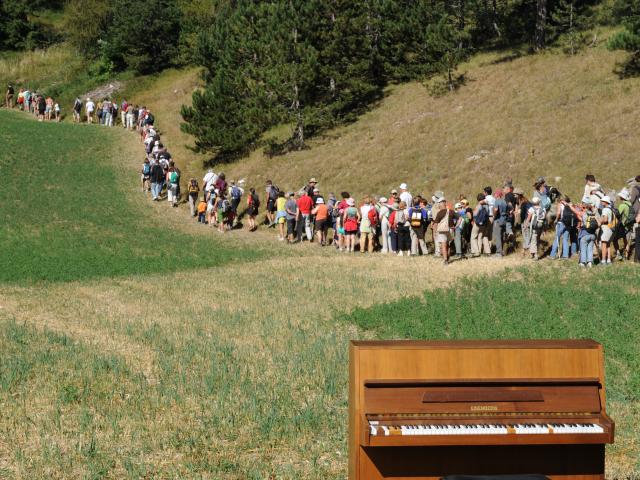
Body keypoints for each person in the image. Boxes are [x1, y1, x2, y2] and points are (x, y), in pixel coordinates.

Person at [579, 197, 599, 267]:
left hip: (585, 234)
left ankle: (583, 262)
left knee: (583, 247)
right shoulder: (593, 213)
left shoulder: (584, 214)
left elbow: (581, 220)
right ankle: (590, 262)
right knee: (590, 248)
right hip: (593, 234)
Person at [433, 197, 454, 264]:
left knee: (443, 245)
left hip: (442, 230)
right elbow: (459, 217)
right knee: (448, 244)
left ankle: (445, 260)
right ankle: (448, 258)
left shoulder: (439, 213)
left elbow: (435, 223)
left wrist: (435, 232)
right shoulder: (450, 211)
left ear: (441, 203)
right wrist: (456, 226)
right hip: (450, 229)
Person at [598, 196, 615, 265]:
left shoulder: (605, 209)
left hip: (605, 228)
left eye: (602, 201)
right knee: (608, 245)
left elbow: (605, 219)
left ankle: (603, 260)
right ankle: (608, 260)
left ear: (605, 202)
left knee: (603, 244)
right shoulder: (610, 209)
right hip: (610, 228)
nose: (601, 202)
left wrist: (599, 221)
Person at [492, 189, 508, 257]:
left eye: (495, 194)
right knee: (502, 236)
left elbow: (496, 210)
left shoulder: (497, 201)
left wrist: (494, 217)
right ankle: (502, 251)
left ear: (497, 195)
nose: (494, 195)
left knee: (497, 236)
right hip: (504, 220)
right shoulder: (504, 201)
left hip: (498, 220)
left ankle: (498, 252)